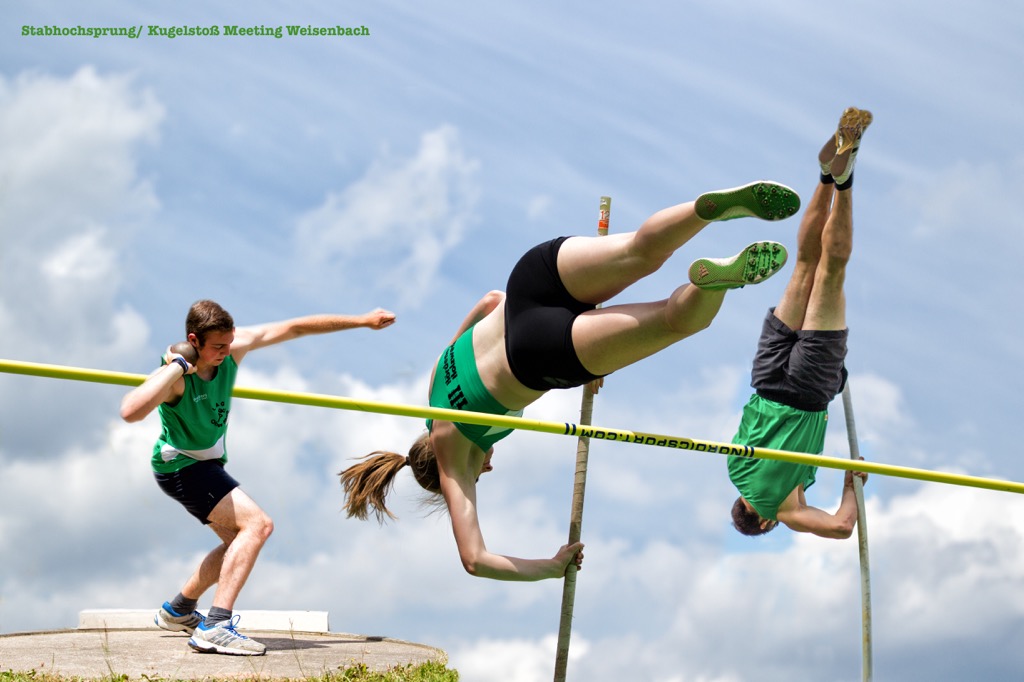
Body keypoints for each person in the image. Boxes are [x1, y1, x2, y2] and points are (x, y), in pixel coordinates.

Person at [340, 180, 800, 581]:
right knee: (639, 250)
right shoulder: (434, 386)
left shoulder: (452, 463)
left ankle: (713, 284)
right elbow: (489, 300)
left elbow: (475, 560)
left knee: (673, 321)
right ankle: (708, 208)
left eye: (483, 472)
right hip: (528, 282)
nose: (488, 468)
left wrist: (551, 566)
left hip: (540, 354)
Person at [120, 301, 396, 655]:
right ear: (194, 341)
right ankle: (215, 626)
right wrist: (175, 368)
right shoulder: (176, 378)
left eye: (228, 343)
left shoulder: (232, 349)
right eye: (217, 347)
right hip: (182, 467)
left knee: (237, 543)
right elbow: (130, 411)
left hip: (208, 465)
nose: (225, 352)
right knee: (259, 526)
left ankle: (179, 609)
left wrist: (361, 320)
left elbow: (294, 326)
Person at [727, 107, 872, 539]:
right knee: (807, 265)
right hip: (766, 378)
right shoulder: (734, 467)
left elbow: (843, 527)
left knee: (832, 271)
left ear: (765, 521)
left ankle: (844, 184)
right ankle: (826, 176)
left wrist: (852, 485)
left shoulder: (784, 508)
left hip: (808, 390)